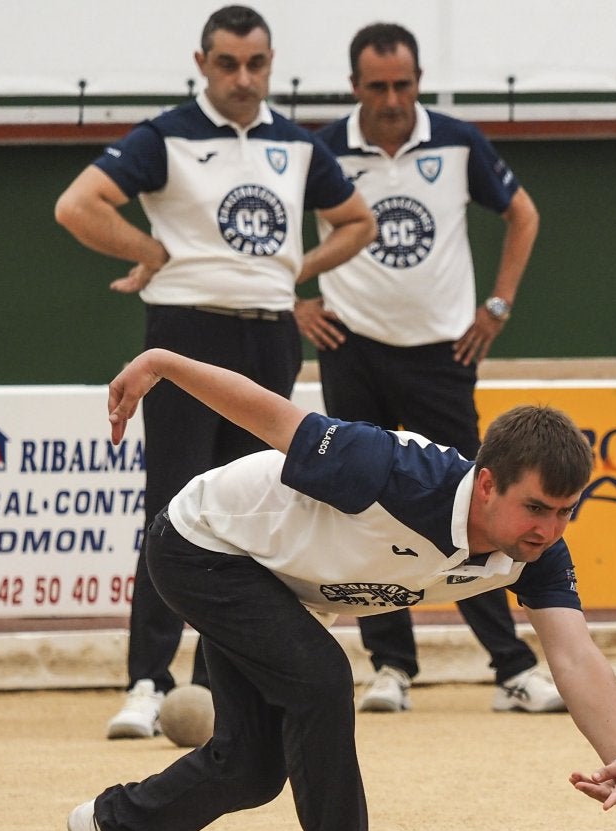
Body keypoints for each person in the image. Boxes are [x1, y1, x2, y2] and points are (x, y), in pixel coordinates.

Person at [68, 347, 616, 831]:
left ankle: (115, 824)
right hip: (205, 544)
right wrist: (164, 364)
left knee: (253, 769)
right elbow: (268, 417)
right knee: (321, 675)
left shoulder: (536, 555)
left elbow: (573, 653)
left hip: (284, 582)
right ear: (488, 485)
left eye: (564, 513)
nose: (548, 530)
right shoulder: (387, 471)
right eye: (535, 508)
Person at [54, 5, 375, 740]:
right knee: (171, 506)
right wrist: (152, 252)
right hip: (186, 333)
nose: (242, 78)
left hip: (269, 340)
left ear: (271, 64)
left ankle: (217, 684)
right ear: (202, 63)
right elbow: (78, 205)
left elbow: (359, 222)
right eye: (227, 63)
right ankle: (146, 680)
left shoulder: (296, 145)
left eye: (255, 64)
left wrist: (297, 267)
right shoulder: (165, 135)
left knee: (253, 513)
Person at [295, 22, 555, 716]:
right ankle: (390, 666)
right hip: (352, 348)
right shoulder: (320, 147)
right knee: (364, 507)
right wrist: (295, 304)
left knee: (480, 507)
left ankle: (512, 668)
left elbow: (523, 215)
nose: (391, 99)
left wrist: (496, 305)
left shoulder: (457, 140)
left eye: (403, 84)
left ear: (418, 81)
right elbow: (265, 228)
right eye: (377, 86)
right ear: (354, 86)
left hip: (444, 353)